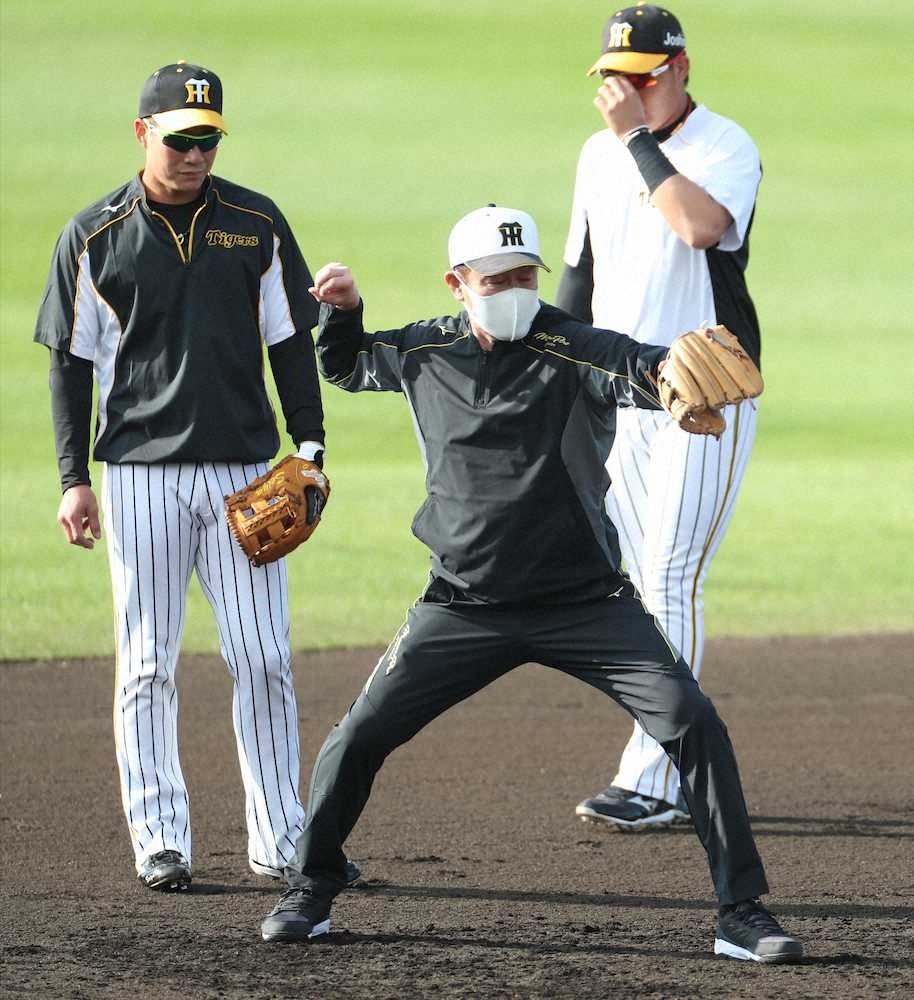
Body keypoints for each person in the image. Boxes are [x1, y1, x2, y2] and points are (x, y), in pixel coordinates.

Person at [258, 205, 803, 963]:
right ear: (458, 284)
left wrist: (670, 374)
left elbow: (643, 367)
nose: (515, 290)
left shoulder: (573, 348)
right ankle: (311, 887)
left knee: (692, 722)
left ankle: (742, 913)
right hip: (462, 605)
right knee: (357, 738)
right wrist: (344, 315)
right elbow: (348, 366)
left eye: (525, 276)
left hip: (587, 604)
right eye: (497, 279)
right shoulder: (423, 349)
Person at [34, 61, 359, 893]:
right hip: (139, 476)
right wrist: (74, 479)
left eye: (208, 140)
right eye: (180, 140)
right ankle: (160, 838)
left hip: (245, 473)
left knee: (263, 658)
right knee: (147, 662)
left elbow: (289, 340)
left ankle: (281, 839)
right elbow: (69, 367)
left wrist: (311, 446)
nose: (194, 156)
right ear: (143, 134)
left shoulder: (255, 224)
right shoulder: (95, 236)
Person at [557, 4, 765, 832]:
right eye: (614, 77)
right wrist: (557, 379)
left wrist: (638, 141)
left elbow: (701, 227)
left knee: (671, 573)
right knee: (639, 581)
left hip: (702, 395)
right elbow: (578, 274)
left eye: (639, 77)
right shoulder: (591, 156)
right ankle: (675, 758)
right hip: (621, 393)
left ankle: (657, 776)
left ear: (678, 69)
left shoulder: (725, 146)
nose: (623, 92)